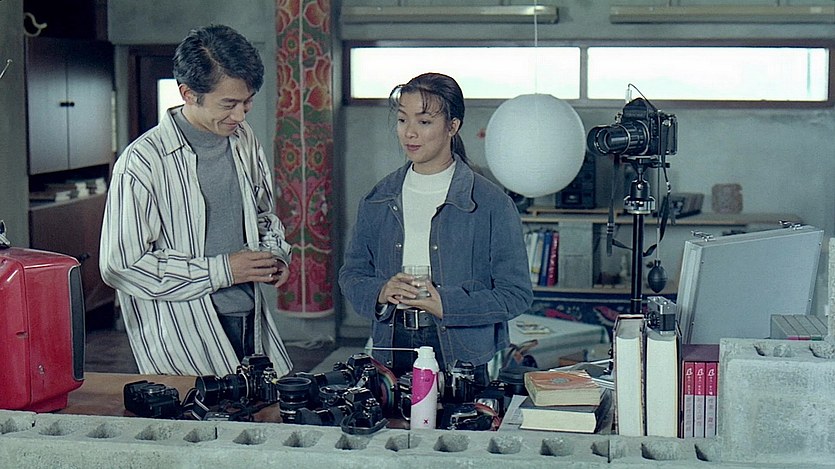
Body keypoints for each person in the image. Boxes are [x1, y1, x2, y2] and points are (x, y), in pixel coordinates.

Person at [100, 24, 293, 377]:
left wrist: (275, 254)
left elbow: (263, 213)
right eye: (229, 104)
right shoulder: (143, 162)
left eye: (248, 101)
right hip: (184, 334)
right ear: (188, 93)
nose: (241, 115)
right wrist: (223, 270)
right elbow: (121, 266)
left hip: (248, 317)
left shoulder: (243, 138)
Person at [338, 72, 533, 384]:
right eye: (402, 120)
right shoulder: (378, 198)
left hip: (461, 352)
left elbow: (516, 294)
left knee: (461, 416)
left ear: (452, 126)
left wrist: (448, 304)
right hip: (392, 343)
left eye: (424, 121)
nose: (409, 133)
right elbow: (351, 274)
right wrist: (382, 291)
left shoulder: (491, 203)